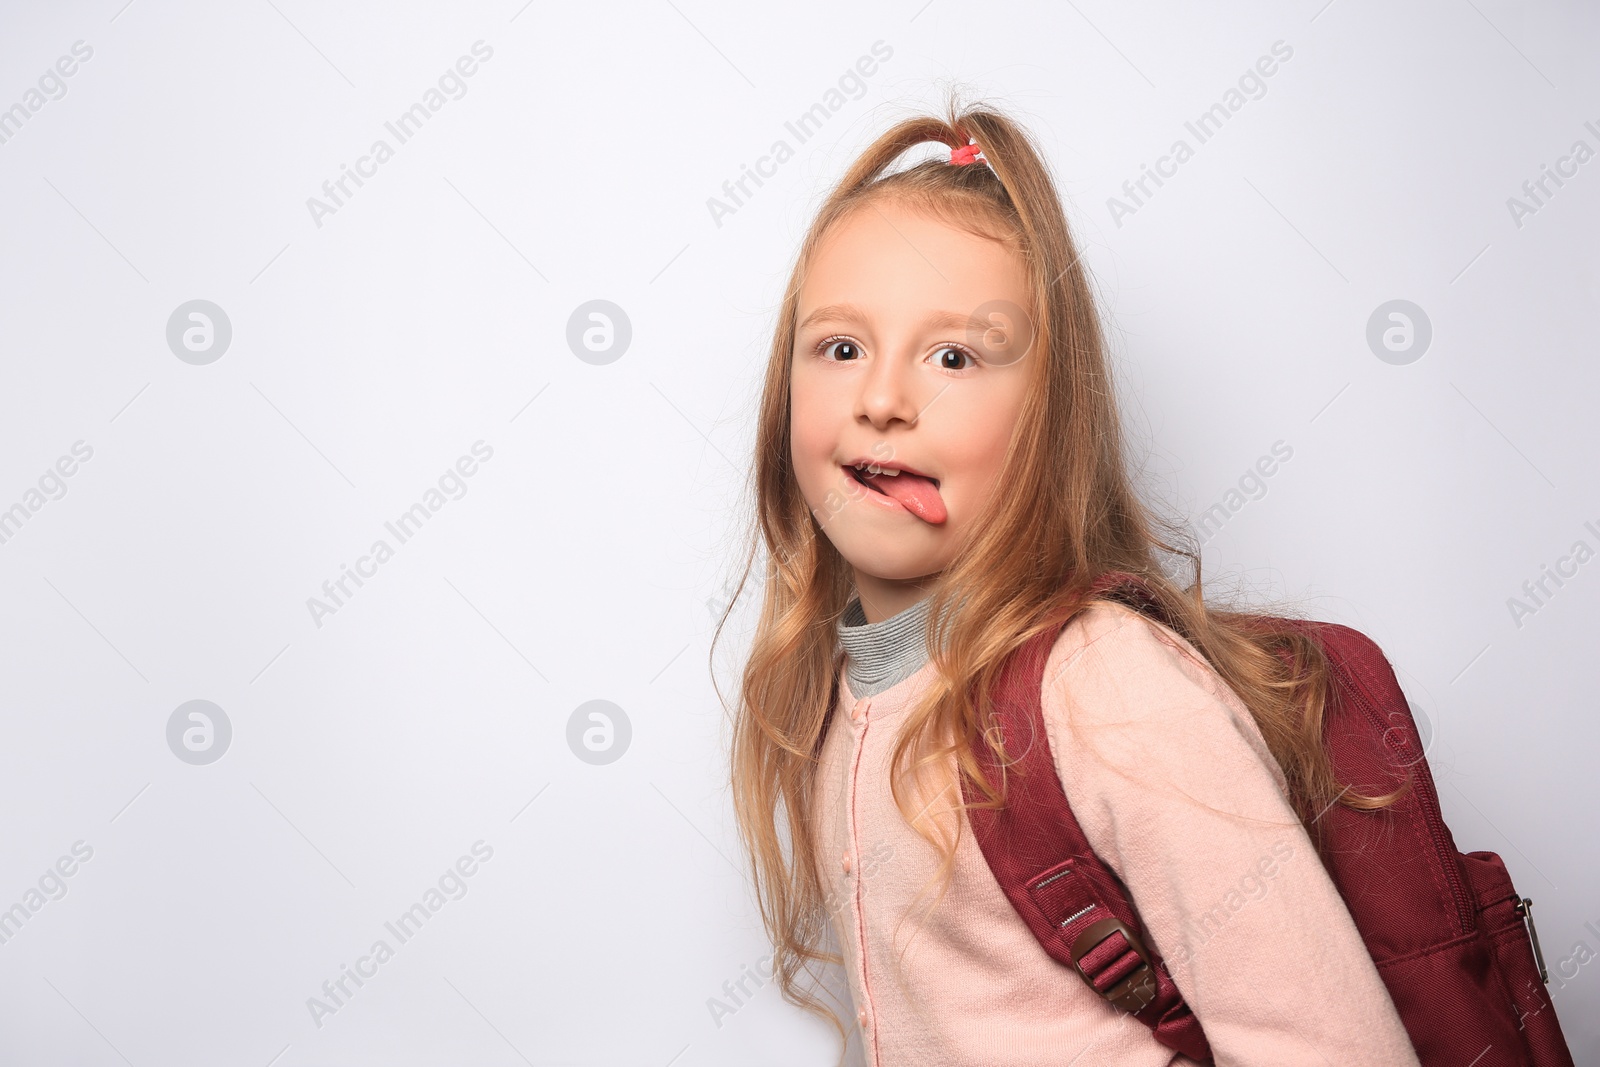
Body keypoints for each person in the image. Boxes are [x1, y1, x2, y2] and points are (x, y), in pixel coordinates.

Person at [717, 101, 1421, 1066]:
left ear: (1047, 415)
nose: (881, 400)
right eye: (841, 348)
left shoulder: (1105, 682)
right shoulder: (842, 696)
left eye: (955, 356)